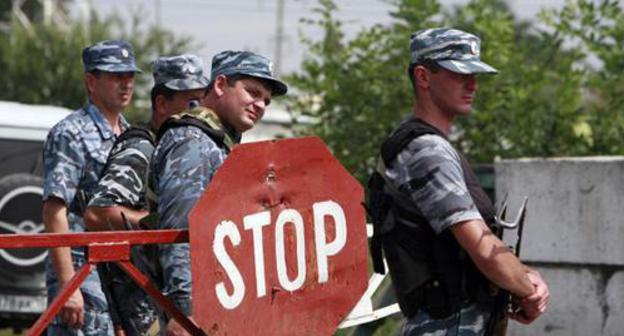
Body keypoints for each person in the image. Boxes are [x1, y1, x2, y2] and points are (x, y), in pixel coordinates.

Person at [368, 28, 550, 335]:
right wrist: (528, 288)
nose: (472, 85)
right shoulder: (427, 150)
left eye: (475, 75)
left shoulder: (429, 145)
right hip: (447, 324)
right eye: (459, 74)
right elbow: (480, 245)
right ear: (423, 77)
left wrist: (522, 276)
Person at [149, 50, 287, 335]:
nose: (259, 105)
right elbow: (179, 232)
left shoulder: (218, 142)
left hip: (220, 303)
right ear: (221, 85)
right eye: (252, 92)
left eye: (266, 100)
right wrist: (183, 312)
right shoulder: (193, 140)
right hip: (194, 312)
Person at [83, 54, 210, 335]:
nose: (201, 110)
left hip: (171, 295)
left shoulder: (190, 147)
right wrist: (154, 222)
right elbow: (97, 214)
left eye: (203, 100)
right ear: (161, 103)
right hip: (143, 303)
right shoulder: (143, 147)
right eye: (191, 102)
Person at [42, 39, 140, 335]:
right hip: (82, 270)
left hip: (121, 271)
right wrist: (68, 285)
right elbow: (54, 211)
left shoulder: (130, 134)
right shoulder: (70, 133)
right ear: (91, 81)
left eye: (129, 77)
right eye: (115, 77)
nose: (125, 85)